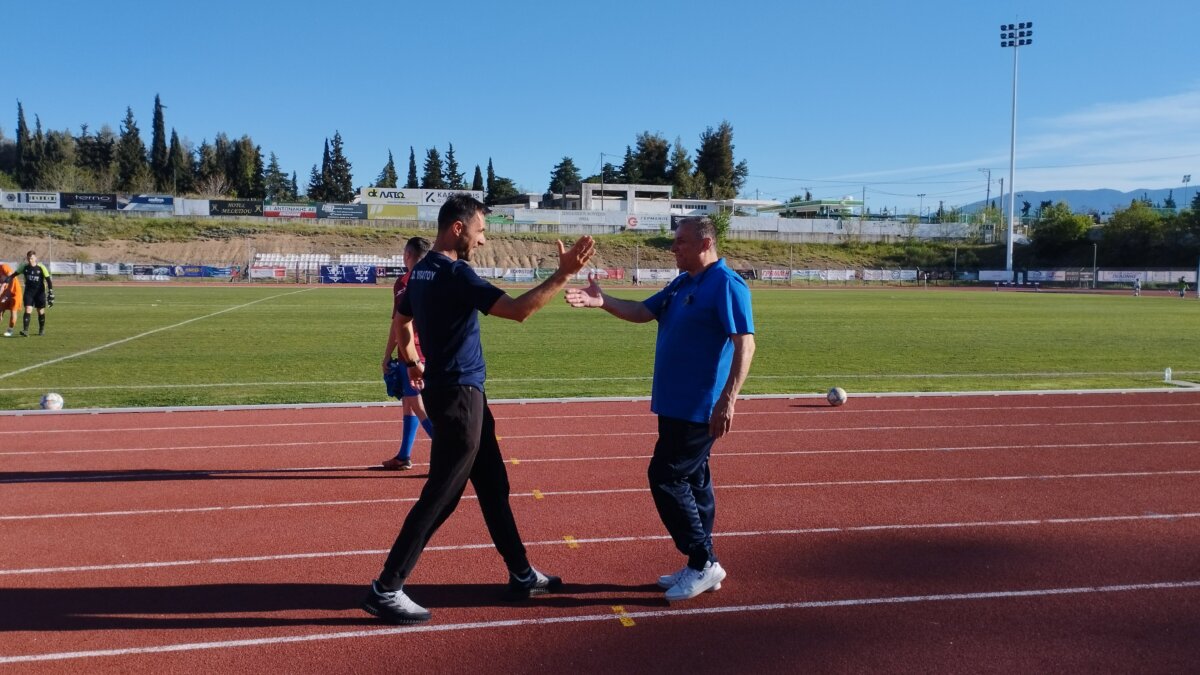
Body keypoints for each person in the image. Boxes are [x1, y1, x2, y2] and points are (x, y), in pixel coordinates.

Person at [362, 194, 596, 624]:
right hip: (459, 397)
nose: (483, 240)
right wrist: (564, 274)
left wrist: (411, 360)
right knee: (442, 494)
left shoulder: (420, 272)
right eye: (480, 230)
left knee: (493, 485)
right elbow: (518, 311)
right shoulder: (455, 273)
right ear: (458, 228)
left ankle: (521, 574)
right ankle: (386, 588)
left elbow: (402, 320)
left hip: (454, 393)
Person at [564, 216, 755, 602]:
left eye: (681, 241)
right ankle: (704, 563)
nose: (673, 248)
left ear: (705, 244)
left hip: (700, 406)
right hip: (673, 403)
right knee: (694, 481)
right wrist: (602, 301)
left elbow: (745, 344)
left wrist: (728, 400)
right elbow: (642, 311)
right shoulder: (683, 283)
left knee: (666, 477)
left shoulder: (726, 284)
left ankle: (702, 561)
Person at [380, 236, 435, 470]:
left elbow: (399, 324)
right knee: (409, 403)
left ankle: (451, 458)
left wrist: (386, 356)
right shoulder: (434, 279)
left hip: (410, 353)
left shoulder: (404, 283)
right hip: (432, 351)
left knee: (417, 404)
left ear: (408, 255)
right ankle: (404, 456)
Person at [2, 251, 54, 336]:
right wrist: (8, 279)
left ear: (35, 258)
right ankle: (25, 330)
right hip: (29, 292)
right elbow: (14, 274)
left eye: (32, 258)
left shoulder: (41, 267)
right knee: (28, 309)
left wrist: (50, 291)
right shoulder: (24, 267)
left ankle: (41, 329)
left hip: (39, 292)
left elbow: (48, 280)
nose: (30, 260)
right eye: (29, 258)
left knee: (40, 311)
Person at [0, 263, 24, 337]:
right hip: (5, 292)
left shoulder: (4, 267)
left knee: (13, 311)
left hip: (15, 292)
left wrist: (5, 290)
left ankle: (10, 330)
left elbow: (11, 277)